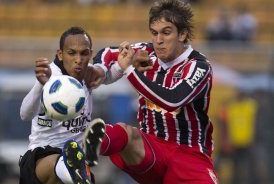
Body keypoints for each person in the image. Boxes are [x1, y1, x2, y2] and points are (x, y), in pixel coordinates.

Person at [84, 0, 218, 183]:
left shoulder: (199, 66)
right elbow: (108, 52)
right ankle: (88, 149)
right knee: (127, 133)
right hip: (151, 152)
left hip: (189, 155)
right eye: (154, 33)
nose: (158, 40)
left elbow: (172, 100)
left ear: (183, 34)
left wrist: (129, 70)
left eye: (166, 32)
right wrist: (100, 69)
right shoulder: (146, 51)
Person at [19, 26, 104, 184]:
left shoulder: (90, 74)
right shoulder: (50, 76)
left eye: (84, 53)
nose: (78, 59)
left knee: (119, 130)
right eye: (72, 53)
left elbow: (116, 69)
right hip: (42, 156)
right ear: (60, 54)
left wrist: (125, 66)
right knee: (57, 160)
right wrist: (40, 85)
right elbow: (25, 114)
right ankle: (74, 169)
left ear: (90, 54)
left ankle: (81, 164)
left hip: (77, 155)